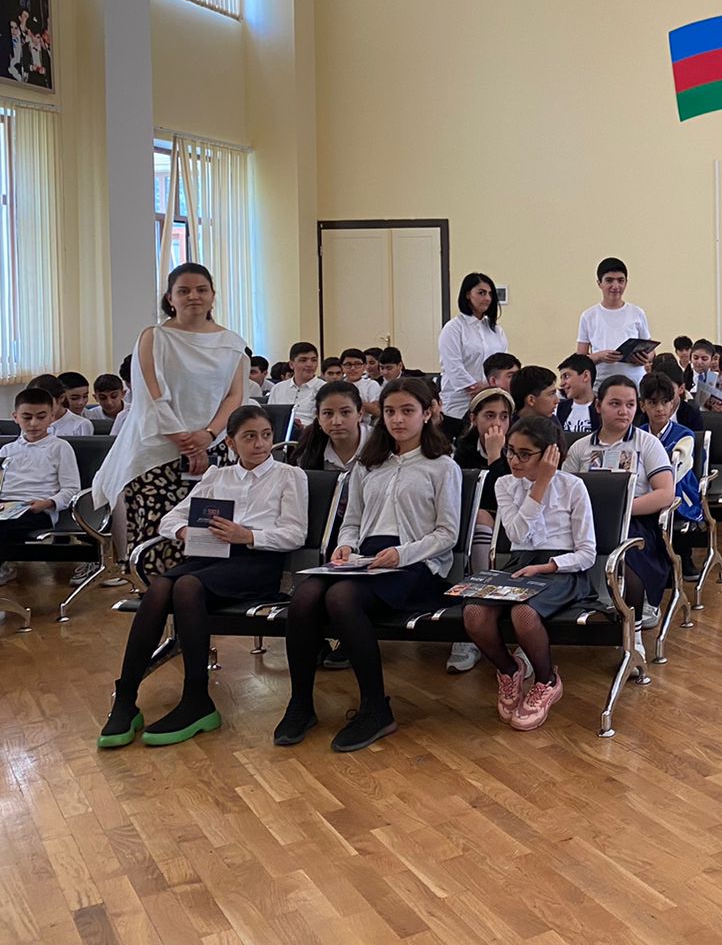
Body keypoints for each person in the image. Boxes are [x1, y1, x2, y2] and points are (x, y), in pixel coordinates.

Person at [97, 405, 309, 749]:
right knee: (160, 587)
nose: (260, 444)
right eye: (250, 437)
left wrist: (248, 535)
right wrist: (185, 532)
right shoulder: (216, 477)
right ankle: (126, 697)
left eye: (266, 435)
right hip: (211, 558)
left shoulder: (289, 475)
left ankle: (196, 698)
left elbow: (295, 534)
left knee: (186, 585)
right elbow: (169, 519)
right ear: (231, 443)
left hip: (256, 562)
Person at [275, 377, 461, 752]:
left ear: (427, 414)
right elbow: (353, 522)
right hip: (366, 559)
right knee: (305, 595)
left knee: (341, 597)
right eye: (390, 411)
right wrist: (344, 546)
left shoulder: (442, 466)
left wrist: (402, 554)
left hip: (416, 565)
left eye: (407, 411)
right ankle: (300, 703)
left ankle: (376, 707)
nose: (397, 419)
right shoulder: (368, 465)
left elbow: (447, 534)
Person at [93, 264, 247, 566]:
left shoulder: (232, 343)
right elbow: (152, 396)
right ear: (170, 298)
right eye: (184, 290)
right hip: (157, 451)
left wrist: (207, 436)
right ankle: (155, 592)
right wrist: (186, 442)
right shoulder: (155, 337)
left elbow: (234, 396)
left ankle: (198, 594)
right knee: (158, 539)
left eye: (201, 289)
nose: (193, 296)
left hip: (212, 449)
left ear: (212, 295)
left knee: (207, 536)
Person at [462, 416, 595, 731]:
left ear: (550, 454)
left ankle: (547, 680)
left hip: (562, 569)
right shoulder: (505, 484)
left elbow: (588, 553)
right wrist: (538, 487)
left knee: (523, 613)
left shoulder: (572, 486)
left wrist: (548, 566)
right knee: (474, 613)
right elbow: (518, 533)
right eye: (510, 450)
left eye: (524, 454)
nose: (513, 460)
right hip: (521, 564)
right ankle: (509, 670)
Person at [563, 376, 676, 627]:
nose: (623, 411)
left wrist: (621, 512)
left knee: (629, 565)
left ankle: (633, 632)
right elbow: (563, 492)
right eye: (615, 404)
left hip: (634, 522)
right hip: (584, 523)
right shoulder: (580, 448)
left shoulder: (647, 443)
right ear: (598, 405)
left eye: (630, 404)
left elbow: (665, 493)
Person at [446, 387, 517, 674]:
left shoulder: (520, 448)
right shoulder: (460, 453)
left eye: (504, 416)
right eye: (489, 415)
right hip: (470, 526)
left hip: (514, 523)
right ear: (473, 418)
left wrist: (496, 456)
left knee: (483, 516)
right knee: (478, 516)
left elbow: (506, 497)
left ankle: (485, 604)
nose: (497, 423)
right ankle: (476, 612)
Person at [0, 387, 81, 587]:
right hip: (6, 506)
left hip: (38, 509)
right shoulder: (7, 450)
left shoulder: (60, 448)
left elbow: (72, 489)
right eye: (27, 417)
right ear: (15, 417)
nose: (34, 423)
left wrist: (47, 503)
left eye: (41, 417)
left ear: (52, 417)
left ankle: (4, 567)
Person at [641, 372, 706, 577]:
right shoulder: (637, 434)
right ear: (643, 405)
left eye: (665, 402)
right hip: (646, 489)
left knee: (671, 500)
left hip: (679, 488)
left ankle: (682, 557)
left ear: (672, 404)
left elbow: (678, 470)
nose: (660, 408)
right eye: (653, 403)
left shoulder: (685, 435)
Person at [438, 272, 509, 436]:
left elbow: (503, 363)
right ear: (468, 295)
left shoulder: (496, 330)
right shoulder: (453, 328)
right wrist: (480, 388)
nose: (487, 298)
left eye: (490, 294)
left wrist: (492, 388)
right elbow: (453, 367)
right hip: (459, 404)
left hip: (490, 401)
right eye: (481, 293)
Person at [577, 257, 653, 386]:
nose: (615, 286)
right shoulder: (588, 316)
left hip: (635, 383)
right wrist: (599, 356)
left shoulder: (637, 313)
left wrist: (644, 358)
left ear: (626, 283)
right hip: (601, 384)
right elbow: (580, 359)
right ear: (599, 283)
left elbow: (650, 351)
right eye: (609, 280)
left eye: (620, 280)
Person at [268, 342, 324, 431]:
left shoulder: (324, 389)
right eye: (303, 360)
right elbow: (269, 417)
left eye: (314, 360)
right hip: (280, 432)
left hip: (311, 434)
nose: (310, 364)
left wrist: (304, 428)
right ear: (291, 364)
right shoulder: (278, 388)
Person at [556, 354, 598, 434]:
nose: (561, 384)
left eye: (566, 376)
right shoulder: (558, 409)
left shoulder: (602, 409)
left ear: (585, 376)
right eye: (561, 378)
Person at [339, 349, 381, 416]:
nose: (353, 368)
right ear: (342, 367)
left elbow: (377, 411)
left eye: (358, 364)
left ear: (364, 366)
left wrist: (351, 402)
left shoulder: (371, 384)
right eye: (348, 364)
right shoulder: (337, 385)